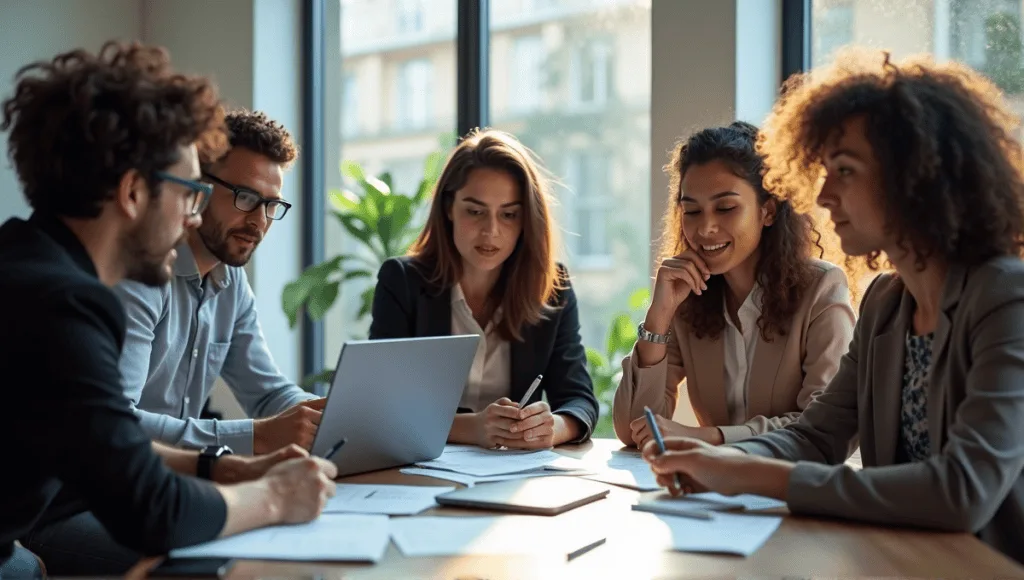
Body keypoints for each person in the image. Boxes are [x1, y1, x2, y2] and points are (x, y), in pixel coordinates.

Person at [642, 48, 1024, 565]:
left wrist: (745, 472)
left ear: (916, 177)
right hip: (901, 561)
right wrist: (715, 460)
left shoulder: (1007, 297)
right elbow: (816, 437)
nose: (822, 195)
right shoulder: (887, 303)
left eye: (844, 170)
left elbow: (961, 490)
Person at [0, 41, 336, 577]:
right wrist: (273, 497)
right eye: (187, 192)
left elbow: (109, 448)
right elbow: (149, 510)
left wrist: (224, 470)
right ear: (133, 193)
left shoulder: (27, 267)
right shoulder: (61, 306)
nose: (193, 217)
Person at [613, 122, 856, 447]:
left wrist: (710, 438)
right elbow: (633, 431)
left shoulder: (822, 290)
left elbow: (826, 428)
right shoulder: (689, 299)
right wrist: (659, 316)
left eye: (725, 208)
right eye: (692, 211)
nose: (705, 228)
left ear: (767, 210)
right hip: (712, 492)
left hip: (794, 490)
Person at [368, 129, 599, 449]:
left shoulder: (552, 287)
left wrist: (551, 427)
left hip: (511, 476)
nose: (491, 231)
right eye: (475, 211)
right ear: (449, 207)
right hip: (421, 468)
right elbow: (383, 404)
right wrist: (471, 428)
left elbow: (578, 401)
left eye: (508, 214)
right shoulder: (403, 282)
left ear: (526, 220)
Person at [114, 109, 322, 457]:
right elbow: (117, 424)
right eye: (246, 197)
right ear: (199, 187)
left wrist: (328, 413)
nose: (259, 221)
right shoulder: (143, 275)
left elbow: (269, 394)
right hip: (119, 486)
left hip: (177, 482)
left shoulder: (231, 282)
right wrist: (257, 436)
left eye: (271, 205)